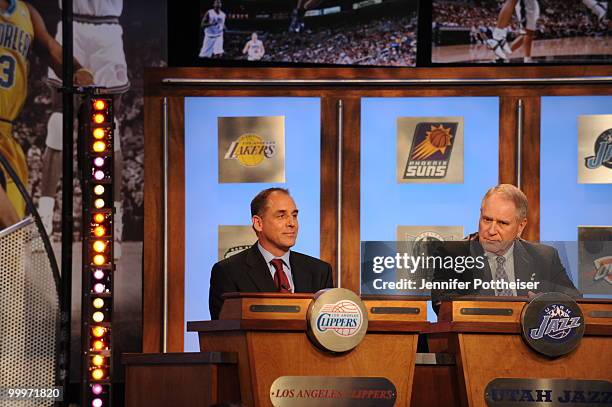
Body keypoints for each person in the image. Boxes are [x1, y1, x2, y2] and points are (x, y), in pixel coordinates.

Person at [37, 0, 128, 258]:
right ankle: (44, 221)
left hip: (108, 26)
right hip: (70, 23)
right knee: (58, 122)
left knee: (112, 127)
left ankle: (114, 223)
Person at [0, 0, 93, 229]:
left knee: (12, 238)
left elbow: (54, 51)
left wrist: (78, 70)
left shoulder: (26, 13)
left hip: (6, 132)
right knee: (11, 226)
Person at [431, 184, 579, 312]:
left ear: (521, 226)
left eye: (502, 223)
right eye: (487, 220)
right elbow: (443, 306)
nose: (491, 230)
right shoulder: (453, 254)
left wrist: (543, 304)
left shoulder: (544, 257)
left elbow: (575, 301)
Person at [209, 188, 334, 319]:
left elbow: (327, 330)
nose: (292, 223)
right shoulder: (229, 272)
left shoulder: (320, 271)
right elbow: (225, 333)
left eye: (294, 216)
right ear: (258, 223)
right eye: (281, 216)